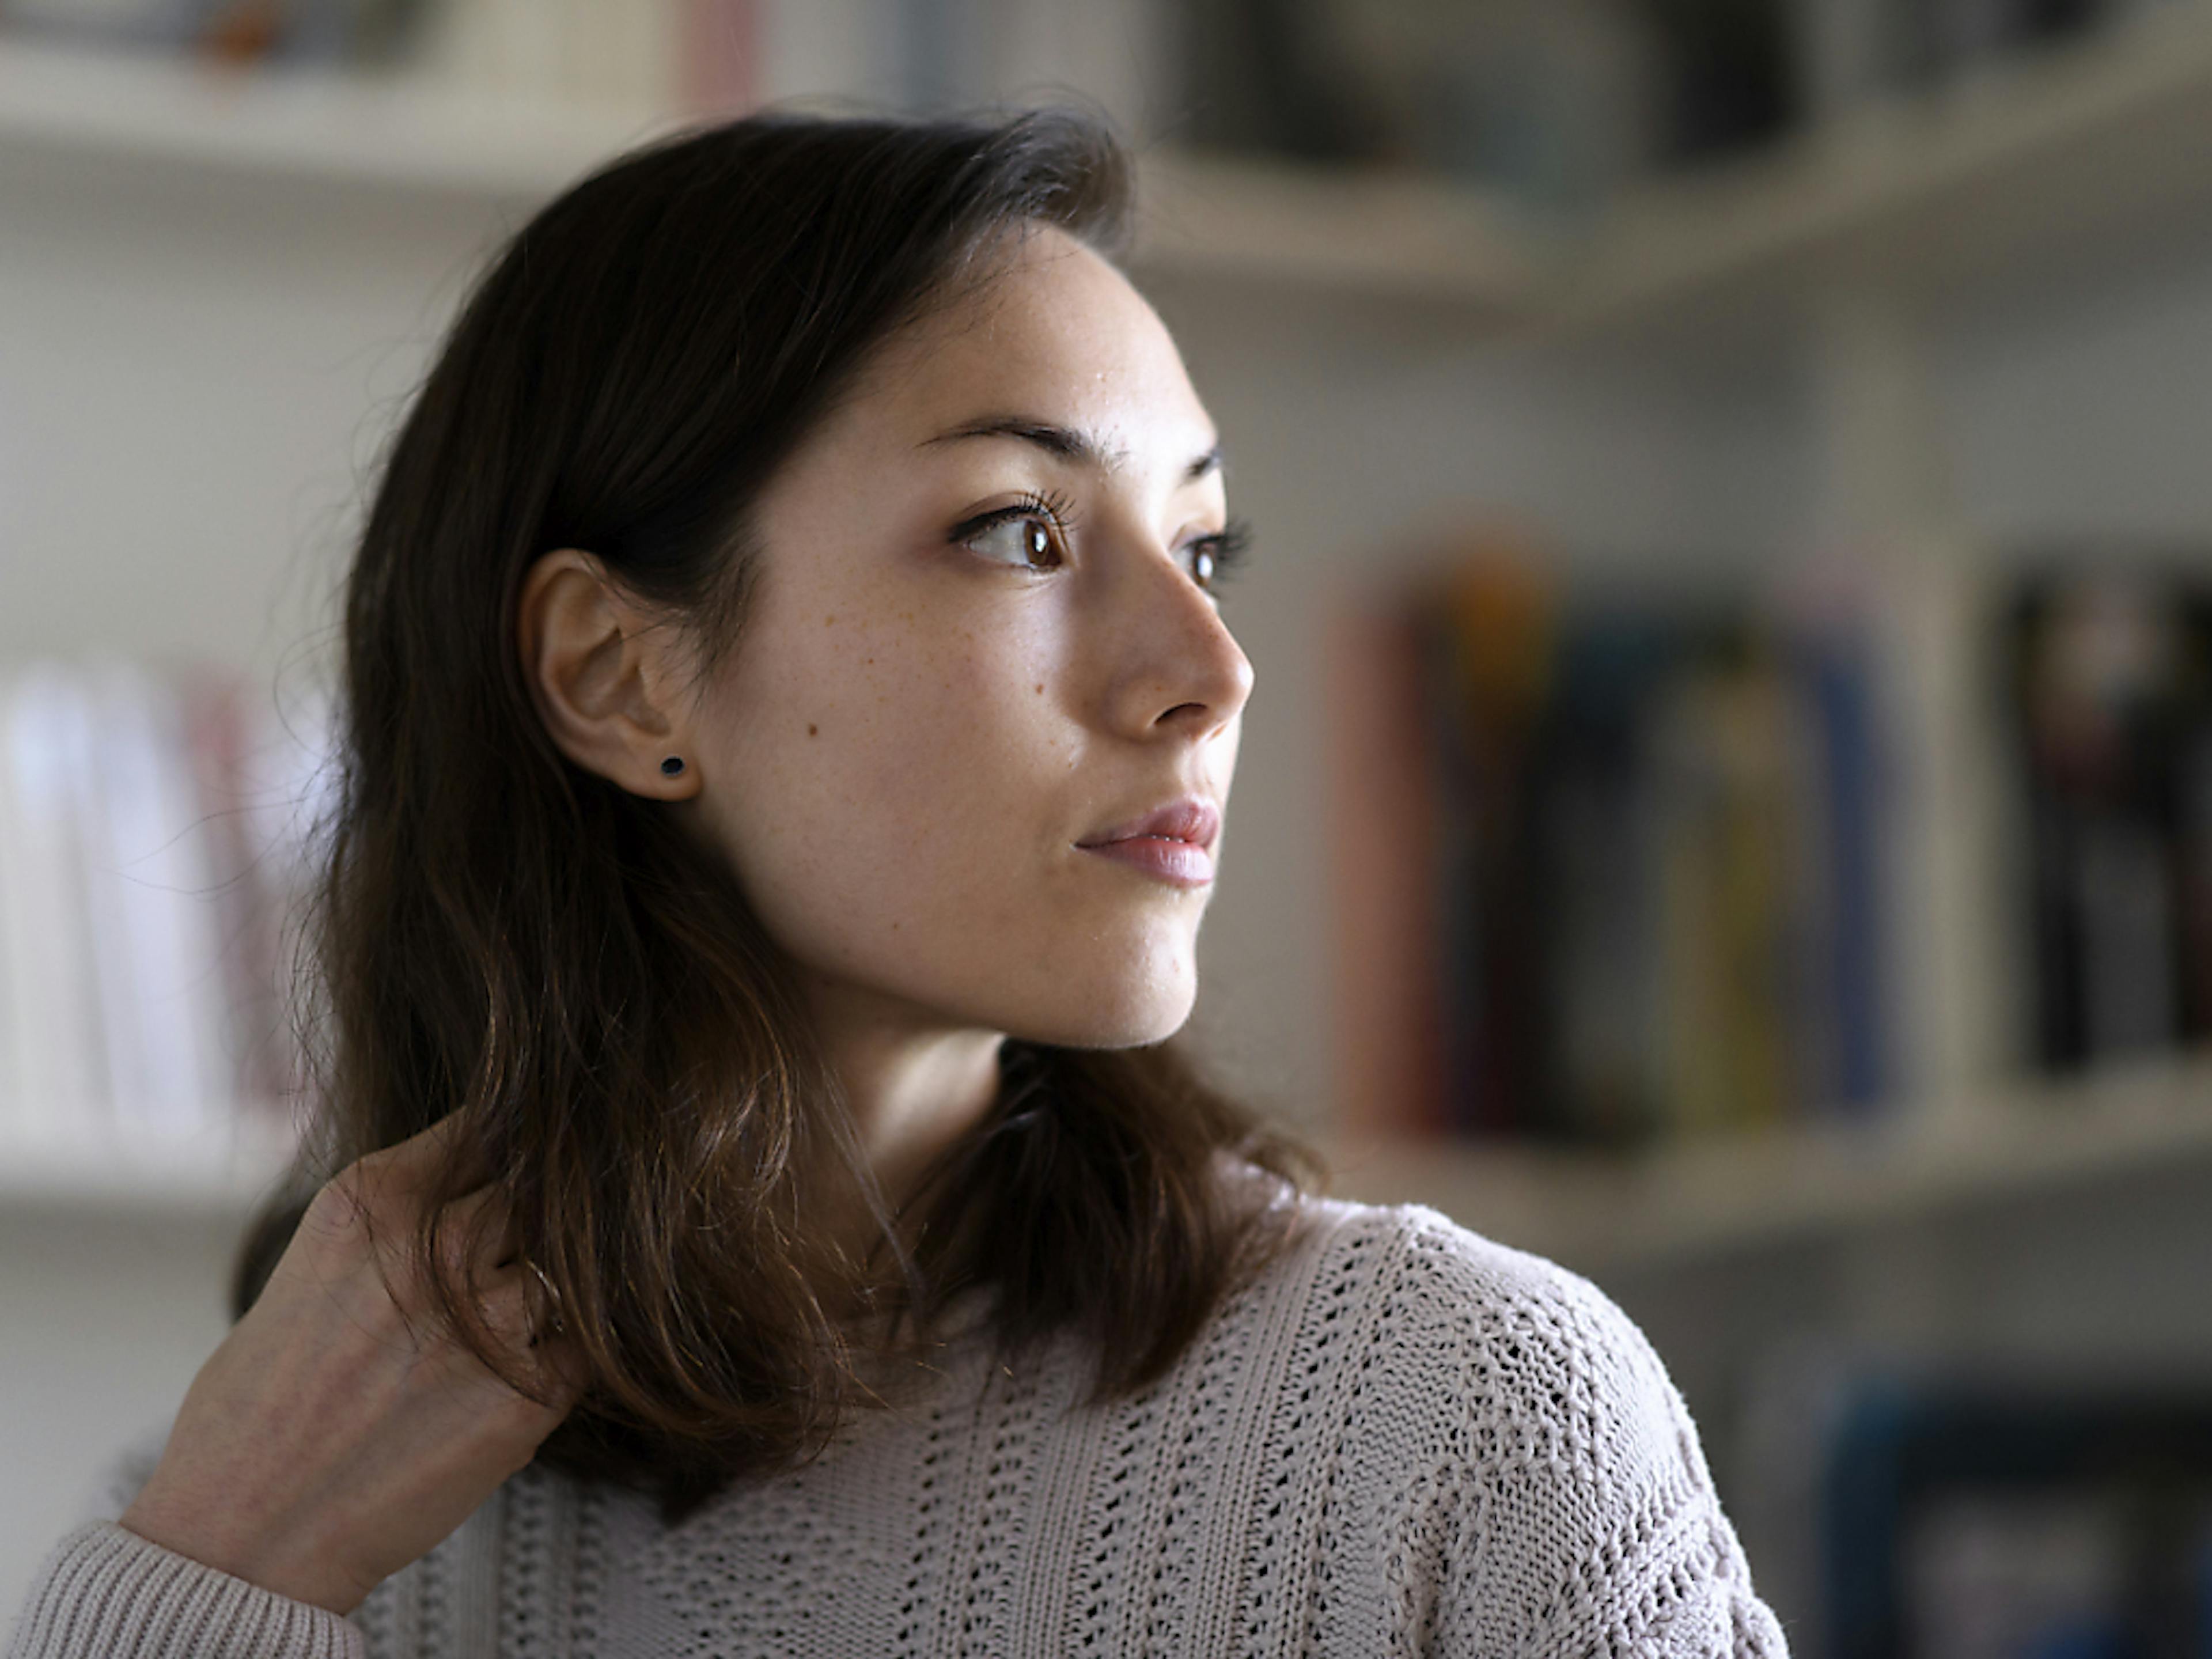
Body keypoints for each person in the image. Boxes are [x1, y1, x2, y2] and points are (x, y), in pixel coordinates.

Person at [6, 107, 1790, 1657]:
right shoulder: (281, 1524)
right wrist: (221, 1566)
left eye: (1204, 548)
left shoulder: (1459, 1415)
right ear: (620, 678)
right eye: (1023, 530)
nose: (1210, 668)